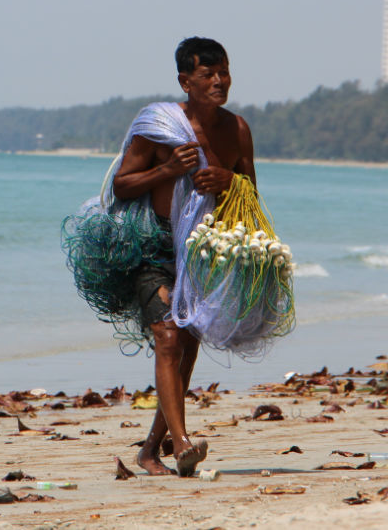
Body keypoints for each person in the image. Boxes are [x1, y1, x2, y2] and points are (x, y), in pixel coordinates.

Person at [62, 36, 262, 477]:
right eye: (207, 75)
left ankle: (151, 451)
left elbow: (252, 189)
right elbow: (122, 185)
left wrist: (228, 180)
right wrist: (168, 171)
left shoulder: (237, 129)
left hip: (201, 250)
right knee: (167, 337)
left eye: (223, 72)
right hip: (150, 246)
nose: (218, 82)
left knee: (186, 350)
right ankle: (184, 442)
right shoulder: (157, 125)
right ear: (184, 81)